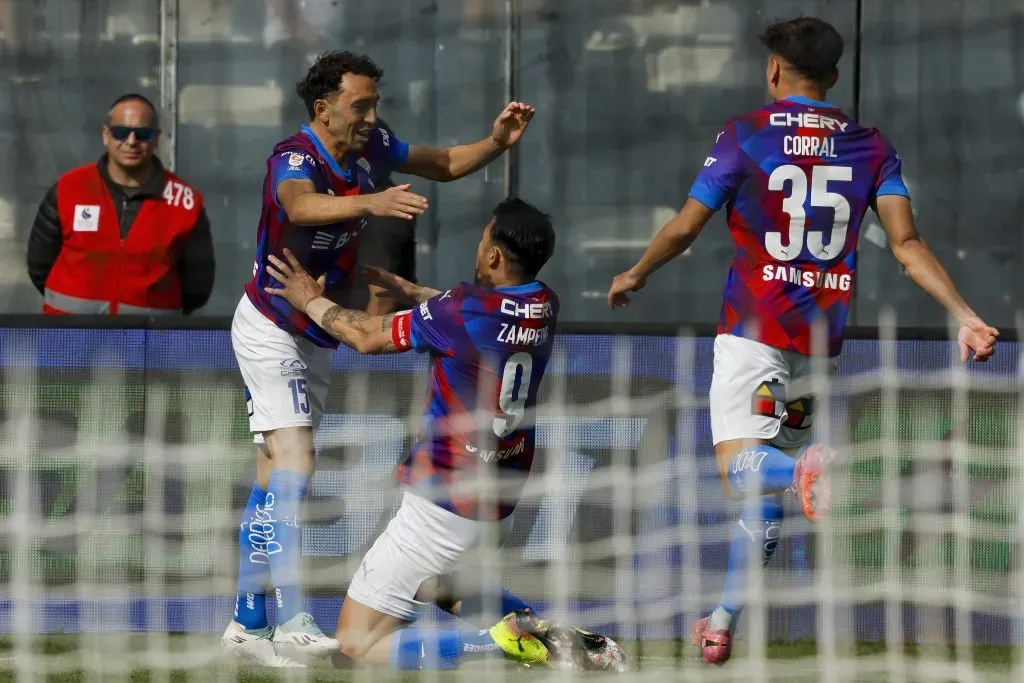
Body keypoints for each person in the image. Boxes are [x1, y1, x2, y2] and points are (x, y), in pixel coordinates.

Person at [606, 17, 998, 666]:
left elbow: (685, 225)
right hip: (817, 347)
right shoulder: (871, 147)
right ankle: (723, 618)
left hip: (754, 335)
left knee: (744, 472)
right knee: (767, 491)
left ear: (773, 71)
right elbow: (906, 245)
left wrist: (637, 271)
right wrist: (964, 313)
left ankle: (806, 468)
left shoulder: (747, 134)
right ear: (836, 77)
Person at [223, 50, 536, 667]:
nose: (371, 116)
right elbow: (299, 206)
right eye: (359, 105)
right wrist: (372, 203)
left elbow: (443, 164)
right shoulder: (295, 156)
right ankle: (290, 619)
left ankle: (245, 622)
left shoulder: (372, 146)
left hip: (314, 329)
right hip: (270, 323)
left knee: (271, 476)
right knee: (296, 460)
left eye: (374, 104)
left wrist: (496, 143)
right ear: (324, 108)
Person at [262, 197, 625, 672]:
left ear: (494, 255)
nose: (478, 248)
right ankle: (555, 637)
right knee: (436, 582)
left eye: (482, 239)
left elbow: (369, 336)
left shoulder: (460, 311)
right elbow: (474, 314)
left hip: (443, 502)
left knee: (353, 646)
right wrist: (413, 291)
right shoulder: (543, 303)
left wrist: (307, 297)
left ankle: (498, 643)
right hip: (499, 501)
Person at [26, 93, 215, 315]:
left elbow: (198, 285)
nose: (131, 141)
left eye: (142, 134)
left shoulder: (186, 203)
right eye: (121, 132)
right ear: (105, 135)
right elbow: (39, 264)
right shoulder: (68, 188)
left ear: (156, 138)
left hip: (147, 342)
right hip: (68, 338)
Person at [340, 117, 418, 316]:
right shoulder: (358, 199)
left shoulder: (385, 212)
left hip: (368, 336)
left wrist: (357, 346)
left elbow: (383, 299)